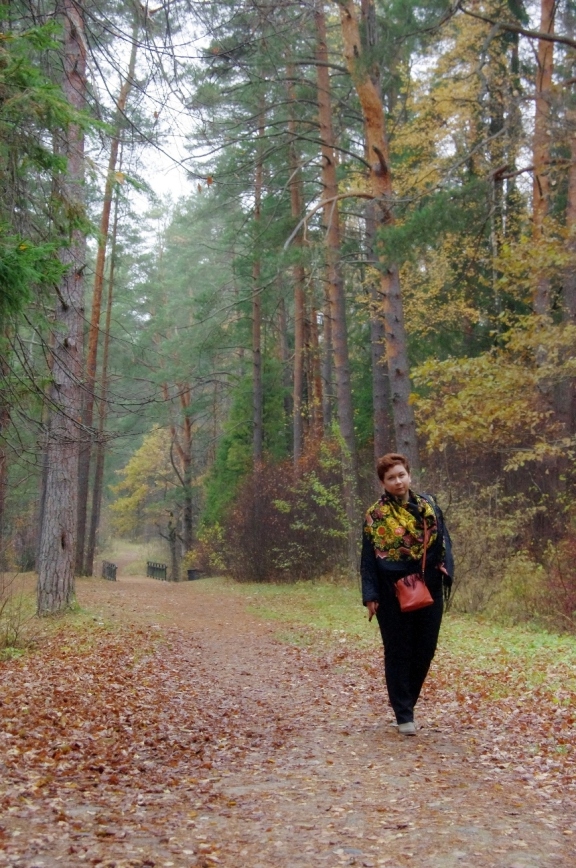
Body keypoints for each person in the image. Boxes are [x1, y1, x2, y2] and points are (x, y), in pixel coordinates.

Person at [361, 452, 454, 736]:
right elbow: (368, 558)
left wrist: (445, 570)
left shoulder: (429, 506)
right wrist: (371, 595)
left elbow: (444, 541)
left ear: (409, 475)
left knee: (425, 649)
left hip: (428, 586)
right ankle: (404, 714)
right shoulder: (375, 515)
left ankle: (407, 703)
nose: (398, 481)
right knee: (398, 650)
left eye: (401, 475)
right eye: (391, 478)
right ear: (383, 482)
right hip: (391, 590)